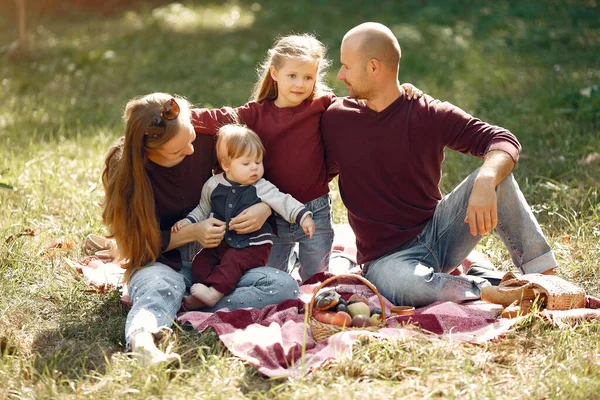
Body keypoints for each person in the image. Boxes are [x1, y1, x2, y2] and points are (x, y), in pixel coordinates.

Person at [321, 22, 558, 308]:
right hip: (387, 259)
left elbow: (502, 140)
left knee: (498, 179)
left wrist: (485, 180)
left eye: (347, 66)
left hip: (439, 234)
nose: (340, 75)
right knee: (411, 287)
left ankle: (546, 278)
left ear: (373, 67)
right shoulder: (337, 120)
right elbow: (304, 157)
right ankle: (488, 288)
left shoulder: (427, 113)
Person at [192, 33, 422, 282]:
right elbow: (216, 117)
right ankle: (293, 262)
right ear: (274, 73)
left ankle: (328, 266)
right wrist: (178, 112)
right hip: (272, 211)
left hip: (315, 211)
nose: (300, 84)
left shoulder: (322, 105)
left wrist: (400, 92)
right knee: (270, 277)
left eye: (308, 77)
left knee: (317, 278)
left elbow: (367, 104)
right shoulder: (255, 114)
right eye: (292, 76)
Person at [101, 93, 300, 366]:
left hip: (220, 266)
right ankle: (143, 344)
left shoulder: (210, 137)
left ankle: (185, 303)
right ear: (149, 153)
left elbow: (257, 152)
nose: (192, 151)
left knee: (283, 285)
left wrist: (265, 205)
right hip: (164, 263)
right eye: (178, 151)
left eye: (192, 139)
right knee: (159, 286)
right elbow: (135, 249)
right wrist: (191, 234)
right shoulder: (125, 173)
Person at [171, 124, 315, 309]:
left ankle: (214, 294)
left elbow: (283, 201)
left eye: (258, 162)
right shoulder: (213, 185)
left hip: (251, 246)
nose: (254, 168)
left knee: (233, 262)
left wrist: (303, 217)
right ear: (226, 165)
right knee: (200, 263)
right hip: (220, 244)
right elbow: (202, 209)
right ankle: (204, 291)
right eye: (246, 164)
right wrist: (188, 222)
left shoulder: (261, 186)